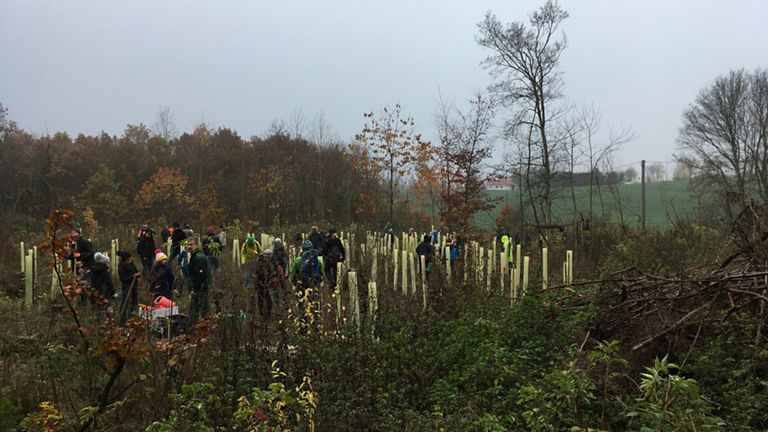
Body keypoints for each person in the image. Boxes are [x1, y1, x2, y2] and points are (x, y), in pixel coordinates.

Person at [290, 240, 325, 333]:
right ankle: (315, 327)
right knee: (314, 306)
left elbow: (292, 274)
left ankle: (303, 328)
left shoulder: (298, 260)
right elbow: (323, 274)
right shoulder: (317, 260)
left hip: (301, 286)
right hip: (314, 285)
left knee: (302, 307)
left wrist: (292, 283)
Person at [253, 249, 284, 320]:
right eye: (266, 257)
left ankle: (268, 316)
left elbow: (277, 272)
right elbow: (257, 274)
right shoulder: (260, 263)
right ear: (264, 257)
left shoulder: (273, 263)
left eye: (269, 257)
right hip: (260, 284)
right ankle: (261, 314)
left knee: (269, 301)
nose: (268, 259)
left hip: (268, 284)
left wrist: (281, 283)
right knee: (260, 299)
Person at [186, 236, 212, 321]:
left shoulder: (199, 257)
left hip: (200, 288)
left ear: (197, 245)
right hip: (197, 288)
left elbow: (200, 275)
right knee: (199, 309)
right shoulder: (193, 256)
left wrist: (195, 289)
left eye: (191, 245)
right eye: (188, 245)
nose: (189, 246)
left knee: (199, 310)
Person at [117, 250, 140, 322]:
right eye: (128, 259)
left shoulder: (132, 265)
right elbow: (123, 279)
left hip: (134, 286)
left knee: (134, 301)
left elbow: (137, 271)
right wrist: (132, 277)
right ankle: (122, 317)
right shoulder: (121, 268)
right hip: (127, 286)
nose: (130, 260)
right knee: (125, 302)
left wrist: (138, 275)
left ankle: (132, 316)